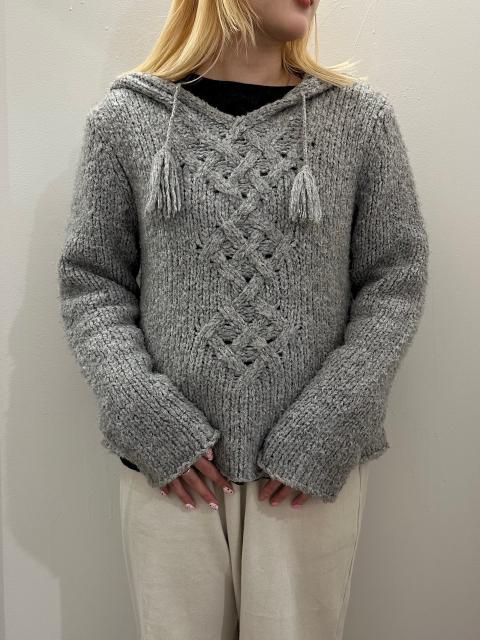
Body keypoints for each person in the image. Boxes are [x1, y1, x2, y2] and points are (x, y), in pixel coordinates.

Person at [56, 0, 429, 638]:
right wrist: (146, 413)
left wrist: (330, 419)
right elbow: (92, 281)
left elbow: (394, 281)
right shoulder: (128, 119)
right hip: (173, 468)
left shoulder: (358, 120)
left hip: (309, 466)